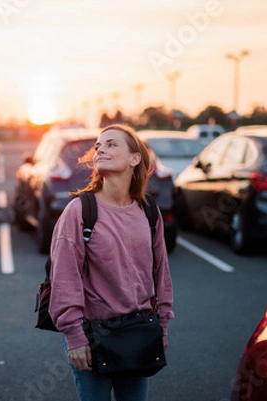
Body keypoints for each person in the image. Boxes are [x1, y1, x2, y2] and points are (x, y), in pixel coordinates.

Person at [48, 124, 174, 401]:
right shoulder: (80, 211)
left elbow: (161, 272)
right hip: (93, 337)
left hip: (140, 333)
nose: (101, 149)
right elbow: (64, 278)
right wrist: (75, 337)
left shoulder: (149, 212)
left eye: (112, 144)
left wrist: (162, 325)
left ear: (135, 158)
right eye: (98, 146)